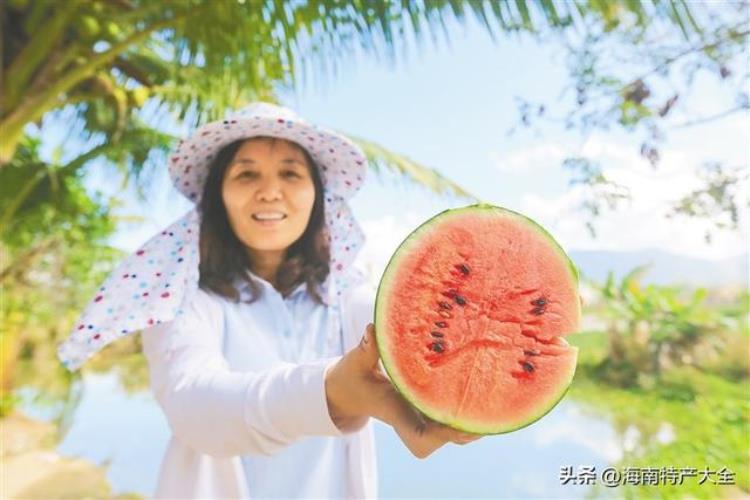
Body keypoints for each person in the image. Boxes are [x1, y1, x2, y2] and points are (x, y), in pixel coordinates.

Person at [58, 103, 479, 499]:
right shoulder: (181, 300)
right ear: (217, 197)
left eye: (291, 174)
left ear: (318, 195)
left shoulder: (345, 292)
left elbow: (392, 323)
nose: (270, 192)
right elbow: (193, 407)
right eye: (246, 175)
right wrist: (329, 394)